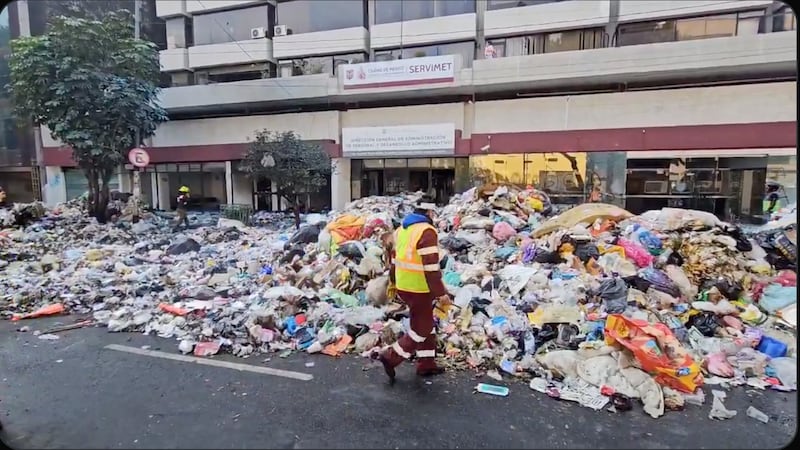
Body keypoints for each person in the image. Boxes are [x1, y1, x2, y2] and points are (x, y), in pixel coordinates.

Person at [377, 197, 450, 382]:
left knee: (424, 322)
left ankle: (426, 365)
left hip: (404, 285)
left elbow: (394, 259)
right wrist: (441, 294)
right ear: (429, 213)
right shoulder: (427, 231)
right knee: (422, 327)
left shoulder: (402, 230)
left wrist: (393, 283)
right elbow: (431, 267)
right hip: (420, 288)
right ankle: (391, 357)